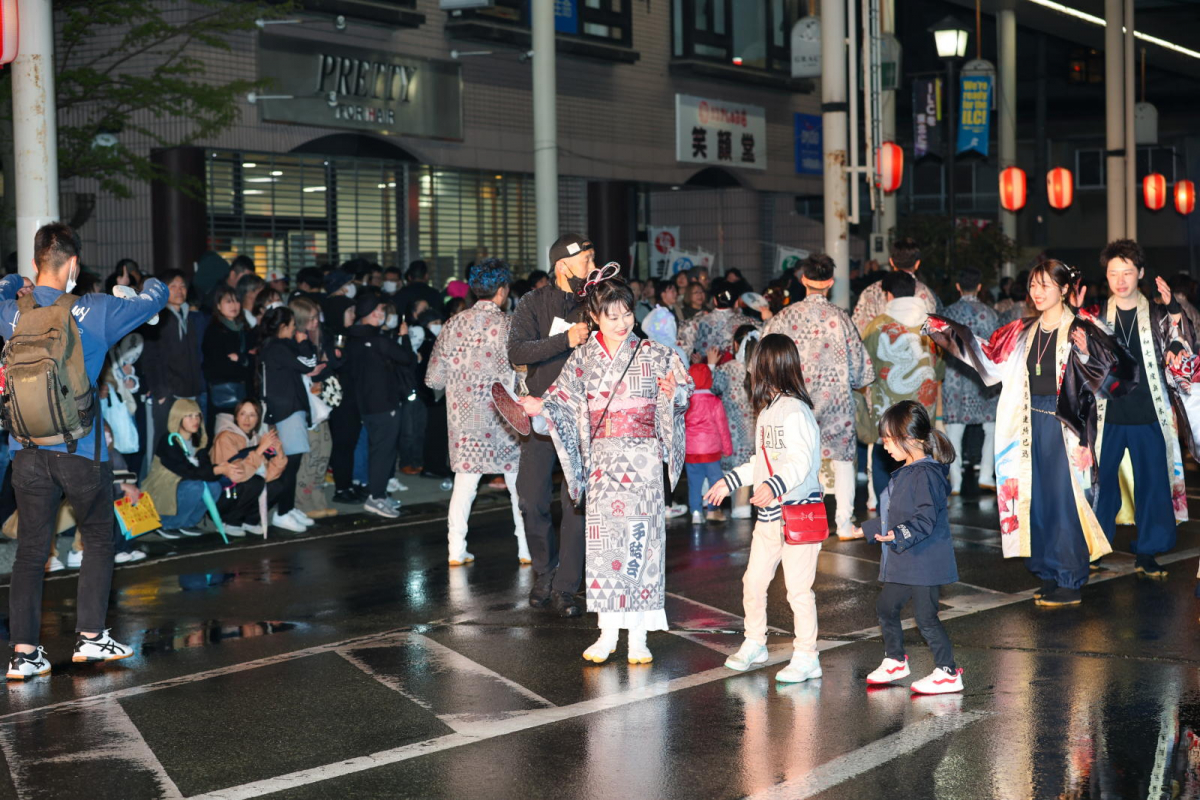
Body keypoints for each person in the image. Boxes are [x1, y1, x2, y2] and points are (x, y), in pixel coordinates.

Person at [0, 223, 167, 679]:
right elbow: (158, 299)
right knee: (97, 538)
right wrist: (146, 285)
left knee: (32, 551)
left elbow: (8, 286)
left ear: (37, 262)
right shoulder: (94, 309)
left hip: (25, 449)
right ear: (74, 264)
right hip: (79, 450)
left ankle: (24, 653)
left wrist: (19, 284)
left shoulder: (11, 313)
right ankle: (92, 639)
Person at [923, 259, 1135, 606]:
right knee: (1036, 499)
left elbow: (1118, 372)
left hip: (1065, 426)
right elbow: (988, 356)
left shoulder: (1084, 327)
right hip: (1028, 422)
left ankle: (1070, 574)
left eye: (1045, 286)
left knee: (1065, 500)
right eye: (1033, 286)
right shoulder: (1022, 330)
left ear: (1064, 290)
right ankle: (1049, 569)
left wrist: (1086, 352)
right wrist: (945, 330)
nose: (1037, 292)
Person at [519, 278, 691, 664]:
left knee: (641, 546)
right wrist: (539, 406)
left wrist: (672, 394)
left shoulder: (655, 353)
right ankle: (608, 633)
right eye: (611, 316)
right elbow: (560, 401)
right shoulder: (582, 358)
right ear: (594, 317)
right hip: (603, 462)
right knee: (604, 550)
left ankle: (639, 638)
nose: (621, 323)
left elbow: (683, 392)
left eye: (627, 313)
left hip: (643, 460)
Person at [705, 334, 824, 684]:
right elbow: (763, 462)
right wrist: (730, 482)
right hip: (770, 517)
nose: (752, 369)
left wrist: (773, 486)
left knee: (799, 590)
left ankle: (807, 656)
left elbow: (800, 462)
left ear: (770, 367)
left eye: (757, 363)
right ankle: (755, 641)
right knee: (754, 582)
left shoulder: (795, 411)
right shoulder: (769, 410)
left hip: (798, 513)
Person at [1092, 239, 1193, 578]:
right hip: (1107, 418)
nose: (1120, 280)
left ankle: (1148, 551)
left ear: (1141, 274)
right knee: (1100, 484)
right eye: (1113, 273)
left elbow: (1185, 343)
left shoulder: (1157, 312)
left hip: (1149, 414)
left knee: (1152, 485)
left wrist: (1175, 309)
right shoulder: (1095, 317)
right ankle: (1094, 547)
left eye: (1128, 272)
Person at [507, 233, 593, 616]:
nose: (592, 266)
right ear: (563, 265)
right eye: (587, 260)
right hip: (540, 415)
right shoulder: (533, 302)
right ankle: (545, 570)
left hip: (581, 416)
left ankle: (566, 585)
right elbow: (518, 351)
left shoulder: (596, 301)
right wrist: (564, 338)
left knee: (576, 503)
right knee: (531, 499)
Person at [426, 259, 529, 565]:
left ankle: (456, 551)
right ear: (502, 291)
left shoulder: (452, 325)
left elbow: (433, 379)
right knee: (517, 488)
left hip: (465, 423)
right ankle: (525, 549)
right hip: (504, 419)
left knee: (464, 488)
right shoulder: (510, 327)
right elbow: (524, 376)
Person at [765, 253, 874, 539]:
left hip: (796, 400)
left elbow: (765, 355)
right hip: (837, 401)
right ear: (830, 283)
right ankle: (845, 522)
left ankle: (797, 520)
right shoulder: (840, 318)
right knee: (843, 459)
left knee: (796, 456)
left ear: (803, 280)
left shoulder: (784, 317)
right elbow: (861, 370)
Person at [856, 400, 963, 695]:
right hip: (906, 559)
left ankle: (948, 672)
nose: (885, 446)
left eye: (889, 439)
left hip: (925, 562)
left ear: (911, 439)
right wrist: (865, 529)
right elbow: (896, 514)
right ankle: (895, 660)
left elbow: (925, 519)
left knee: (926, 618)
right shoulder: (908, 470)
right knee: (886, 607)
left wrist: (898, 534)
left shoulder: (926, 473)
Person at [861, 270, 943, 494]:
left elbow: (864, 369)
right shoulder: (931, 325)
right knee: (922, 459)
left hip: (887, 411)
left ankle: (885, 516)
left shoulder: (877, 325)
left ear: (888, 295)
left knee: (884, 455)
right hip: (921, 411)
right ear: (916, 292)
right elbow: (939, 367)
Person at [347, 293, 414, 519]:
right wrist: (404, 337)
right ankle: (375, 497)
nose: (381, 315)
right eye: (378, 310)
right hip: (385, 403)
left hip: (366, 403)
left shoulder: (352, 339)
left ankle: (380, 494)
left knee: (379, 449)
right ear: (370, 313)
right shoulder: (379, 341)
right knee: (383, 452)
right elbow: (407, 358)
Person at [256, 307, 318, 532]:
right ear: (283, 326)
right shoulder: (277, 348)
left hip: (290, 409)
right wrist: (304, 343)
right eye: (292, 324)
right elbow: (308, 364)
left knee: (293, 462)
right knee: (289, 464)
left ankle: (288, 508)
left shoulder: (279, 346)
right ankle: (282, 513)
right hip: (287, 410)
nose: (295, 329)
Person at [941, 268, 1000, 494]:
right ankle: (986, 475)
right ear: (979, 287)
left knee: (954, 431)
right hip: (983, 379)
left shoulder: (947, 313)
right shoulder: (990, 314)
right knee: (991, 428)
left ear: (958, 287)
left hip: (955, 377)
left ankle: (955, 482)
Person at [141, 399, 230, 538]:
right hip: (163, 487)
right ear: (178, 417)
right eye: (189, 416)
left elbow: (206, 471)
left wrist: (218, 471)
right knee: (194, 486)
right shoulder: (169, 441)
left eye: (197, 415)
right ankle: (167, 523)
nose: (195, 420)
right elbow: (187, 472)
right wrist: (216, 470)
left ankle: (188, 523)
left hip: (184, 483)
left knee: (215, 486)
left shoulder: (198, 441)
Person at [142, 269, 205, 459]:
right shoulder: (157, 317)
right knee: (163, 443)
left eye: (183, 286)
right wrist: (160, 391)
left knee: (186, 443)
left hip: (189, 390)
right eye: (173, 286)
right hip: (168, 392)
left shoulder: (187, 316)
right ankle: (153, 486)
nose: (179, 290)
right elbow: (150, 356)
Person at [288, 296, 340, 520]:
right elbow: (300, 368)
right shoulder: (293, 341)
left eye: (316, 317)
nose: (315, 323)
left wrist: (323, 370)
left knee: (323, 451)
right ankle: (303, 501)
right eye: (309, 319)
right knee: (308, 455)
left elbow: (332, 365)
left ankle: (317, 496)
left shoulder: (322, 336)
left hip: (320, 404)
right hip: (303, 405)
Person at [210, 399, 288, 536]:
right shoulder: (225, 437)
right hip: (223, 496)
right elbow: (236, 474)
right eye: (243, 414)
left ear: (258, 419)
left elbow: (268, 476)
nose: (247, 419)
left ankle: (250, 520)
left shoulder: (257, 439)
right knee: (254, 482)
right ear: (236, 416)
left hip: (242, 491)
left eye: (252, 415)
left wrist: (278, 452)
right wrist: (259, 450)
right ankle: (231, 522)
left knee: (278, 485)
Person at [852, 237, 942, 335]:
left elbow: (857, 328)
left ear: (891, 262)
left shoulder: (870, 291)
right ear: (917, 264)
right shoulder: (927, 293)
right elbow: (938, 331)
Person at [714, 325, 758, 519]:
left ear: (736, 344)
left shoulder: (728, 369)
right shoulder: (763, 368)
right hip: (758, 434)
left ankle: (739, 510)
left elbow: (711, 387)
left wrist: (709, 365)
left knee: (737, 474)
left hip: (733, 437)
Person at [684, 363, 732, 524]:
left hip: (691, 452)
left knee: (694, 484)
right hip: (712, 451)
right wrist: (727, 449)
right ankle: (713, 510)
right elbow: (722, 427)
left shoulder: (685, 401)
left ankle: (696, 512)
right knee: (716, 482)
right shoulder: (714, 401)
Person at [202, 285, 252, 434]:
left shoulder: (245, 329)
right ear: (218, 305)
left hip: (245, 392)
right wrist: (243, 361)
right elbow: (217, 366)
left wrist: (241, 358)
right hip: (224, 394)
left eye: (237, 301)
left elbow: (255, 358)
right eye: (228, 301)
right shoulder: (214, 331)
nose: (234, 305)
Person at [678, 286, 760, 360]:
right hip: (736, 372)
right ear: (736, 304)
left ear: (715, 301)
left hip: (703, 372)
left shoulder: (692, 323)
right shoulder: (750, 323)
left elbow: (682, 353)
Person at [642, 279, 683, 360]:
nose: (676, 294)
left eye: (676, 291)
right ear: (663, 294)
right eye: (672, 291)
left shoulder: (675, 308)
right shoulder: (660, 313)